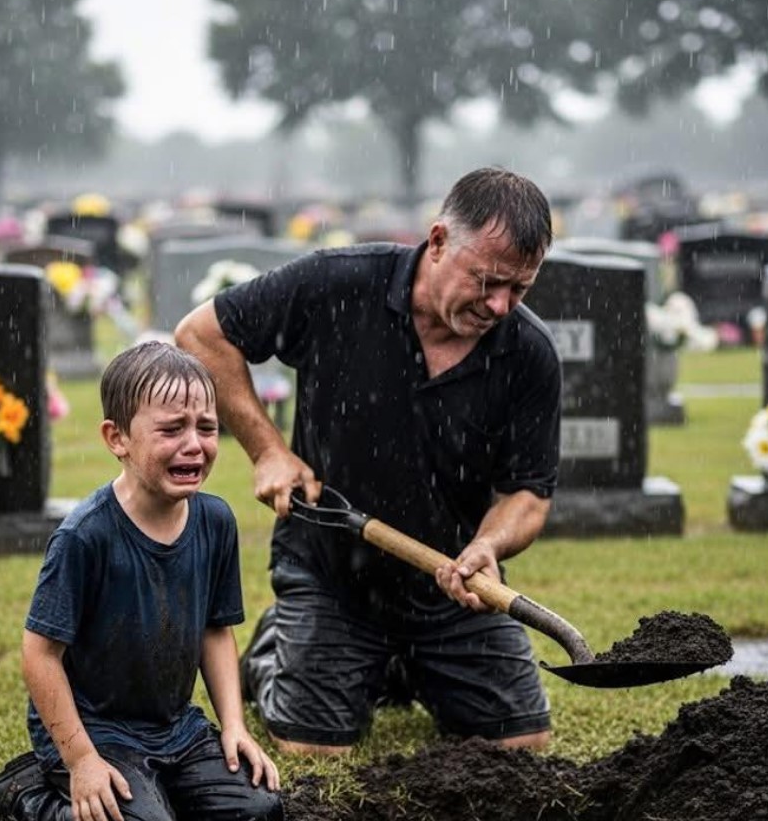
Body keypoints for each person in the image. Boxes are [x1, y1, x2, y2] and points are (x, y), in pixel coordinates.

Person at [174, 168, 561, 757]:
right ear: (437, 242)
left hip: (447, 586)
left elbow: (529, 495)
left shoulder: (528, 354)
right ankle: (277, 645)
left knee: (522, 740)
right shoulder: (338, 284)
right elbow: (200, 334)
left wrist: (489, 547)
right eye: (487, 281)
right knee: (314, 748)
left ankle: (400, 664)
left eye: (520, 289)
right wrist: (268, 450)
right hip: (332, 573)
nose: (501, 305)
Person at [0, 341, 283, 821]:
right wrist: (82, 760)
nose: (194, 444)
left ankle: (155, 783)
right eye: (172, 429)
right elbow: (39, 653)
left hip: (173, 728)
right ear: (118, 438)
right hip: (96, 729)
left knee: (258, 809)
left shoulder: (215, 522)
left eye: (206, 426)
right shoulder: (85, 537)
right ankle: (26, 794)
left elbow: (214, 631)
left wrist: (234, 727)